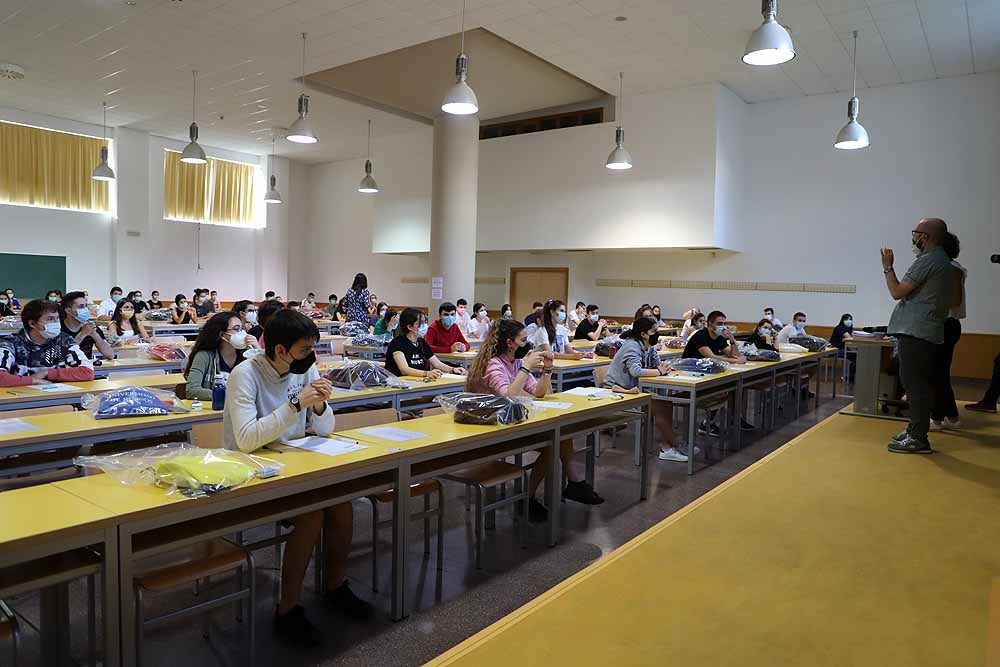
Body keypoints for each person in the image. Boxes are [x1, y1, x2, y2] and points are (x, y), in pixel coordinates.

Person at [223, 309, 371, 645]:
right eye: (304, 350)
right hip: (251, 470)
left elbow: (325, 429)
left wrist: (319, 406)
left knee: (341, 504)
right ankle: (287, 610)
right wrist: (294, 403)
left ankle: (335, 585)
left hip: (295, 462)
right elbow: (246, 439)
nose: (310, 357)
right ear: (279, 350)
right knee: (312, 512)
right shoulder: (245, 375)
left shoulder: (303, 369)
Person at [466, 318, 603, 521]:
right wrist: (526, 368)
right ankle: (530, 498)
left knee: (560, 437)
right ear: (509, 343)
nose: (527, 344)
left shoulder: (517, 362)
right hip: (486, 429)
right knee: (554, 443)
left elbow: (537, 392)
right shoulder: (492, 365)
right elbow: (509, 396)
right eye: (523, 340)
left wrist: (547, 369)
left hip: (507, 421)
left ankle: (567, 485)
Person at [881, 217, 954, 454]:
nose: (913, 237)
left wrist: (888, 266)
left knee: (915, 386)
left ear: (925, 237)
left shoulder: (929, 260)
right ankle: (914, 429)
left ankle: (919, 437)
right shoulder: (943, 260)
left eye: (916, 233)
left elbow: (897, 291)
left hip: (917, 332)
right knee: (918, 384)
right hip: (926, 330)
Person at [604, 317, 688, 462]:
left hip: (633, 389)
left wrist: (665, 367)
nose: (657, 334)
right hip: (617, 392)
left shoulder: (648, 346)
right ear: (643, 334)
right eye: (654, 331)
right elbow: (636, 371)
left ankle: (668, 446)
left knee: (666, 403)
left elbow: (657, 364)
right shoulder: (632, 346)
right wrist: (659, 372)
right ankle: (674, 445)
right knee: (660, 405)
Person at [683, 310, 750, 434]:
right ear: (709, 324)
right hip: (690, 373)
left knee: (735, 387)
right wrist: (735, 361)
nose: (722, 326)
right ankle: (708, 423)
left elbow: (734, 354)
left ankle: (732, 419)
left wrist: (732, 339)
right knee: (723, 390)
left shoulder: (719, 337)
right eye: (719, 323)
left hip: (708, 373)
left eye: (724, 323)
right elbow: (711, 357)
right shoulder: (700, 336)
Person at [0, 299, 95, 386]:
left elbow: (87, 372)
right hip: (18, 399)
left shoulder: (63, 339)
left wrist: (47, 373)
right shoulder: (10, 343)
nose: (56, 323)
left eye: (57, 318)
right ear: (32, 323)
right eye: (50, 319)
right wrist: (33, 380)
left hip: (53, 396)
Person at [930, 231, 966, 430]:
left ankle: (937, 417)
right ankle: (951, 415)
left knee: (938, 374)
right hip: (945, 324)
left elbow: (955, 300)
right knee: (939, 373)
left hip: (946, 324)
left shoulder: (951, 269)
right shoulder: (950, 267)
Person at [183, 311, 250, 400]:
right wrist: (230, 396)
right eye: (236, 329)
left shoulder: (248, 354)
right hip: (216, 409)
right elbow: (192, 390)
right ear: (222, 335)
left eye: (242, 329)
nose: (242, 334)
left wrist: (257, 349)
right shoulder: (204, 356)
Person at [385, 308, 466, 378]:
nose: (424, 325)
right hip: (400, 385)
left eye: (425, 322)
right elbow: (404, 370)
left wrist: (452, 369)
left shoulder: (421, 342)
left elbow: (437, 363)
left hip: (419, 382)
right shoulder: (397, 343)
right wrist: (426, 373)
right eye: (421, 323)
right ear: (409, 327)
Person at [60, 291, 114, 360]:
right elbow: (62, 356)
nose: (85, 309)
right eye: (81, 307)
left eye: (86, 306)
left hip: (86, 368)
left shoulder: (90, 327)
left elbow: (110, 355)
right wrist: (82, 334)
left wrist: (95, 334)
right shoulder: (58, 329)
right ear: (68, 311)